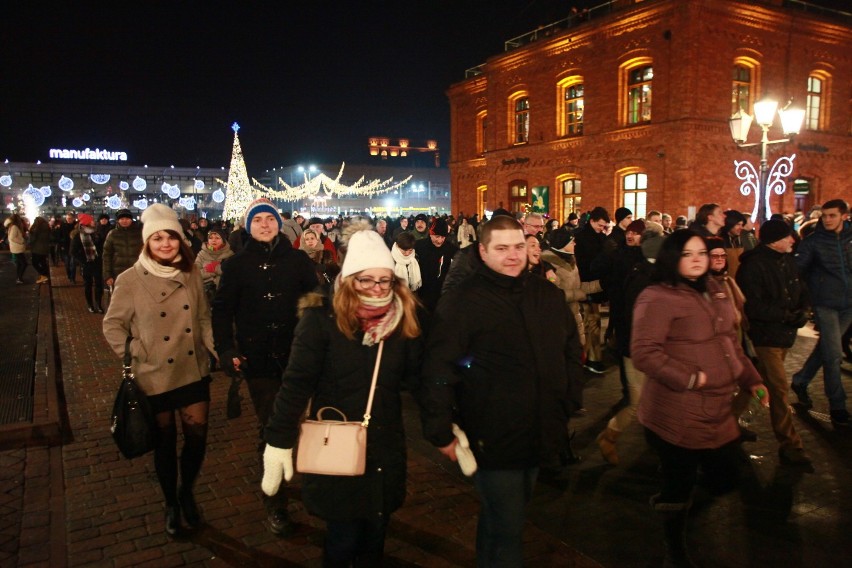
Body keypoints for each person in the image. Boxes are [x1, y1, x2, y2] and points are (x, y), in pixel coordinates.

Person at [419, 215, 581, 566]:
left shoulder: (546, 294)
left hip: (541, 426)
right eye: (502, 248)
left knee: (504, 515)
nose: (513, 255)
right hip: (492, 433)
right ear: (482, 250)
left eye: (519, 246)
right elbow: (438, 367)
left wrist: (568, 399)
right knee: (509, 527)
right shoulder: (463, 301)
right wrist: (439, 427)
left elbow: (570, 348)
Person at [261, 225, 424, 566]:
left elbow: (420, 380)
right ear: (350, 279)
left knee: (375, 532)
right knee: (343, 537)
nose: (377, 289)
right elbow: (296, 383)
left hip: (383, 443)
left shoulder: (403, 318)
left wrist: (447, 417)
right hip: (335, 442)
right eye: (366, 280)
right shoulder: (321, 318)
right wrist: (278, 441)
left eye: (384, 280)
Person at [631, 229, 766, 566]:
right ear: (671, 259)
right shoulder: (657, 296)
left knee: (727, 478)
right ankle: (674, 545)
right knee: (680, 482)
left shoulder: (716, 290)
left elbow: (729, 344)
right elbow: (644, 353)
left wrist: (751, 379)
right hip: (676, 412)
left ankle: (678, 510)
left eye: (702, 253)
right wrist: (689, 378)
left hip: (718, 409)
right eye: (688, 254)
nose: (697, 260)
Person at [102, 203, 216, 536]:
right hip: (154, 375)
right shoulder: (130, 279)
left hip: (192, 369)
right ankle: (171, 503)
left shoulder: (191, 272)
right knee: (164, 444)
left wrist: (213, 347)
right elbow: (113, 325)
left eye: (171, 237)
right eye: (157, 238)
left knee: (197, 439)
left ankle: (187, 491)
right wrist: (140, 352)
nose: (165, 244)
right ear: (147, 242)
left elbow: (203, 317)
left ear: (181, 239)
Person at [212, 198, 318, 534]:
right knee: (271, 427)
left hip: (297, 354)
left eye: (269, 219)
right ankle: (275, 498)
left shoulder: (298, 260)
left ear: (278, 223)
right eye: (257, 220)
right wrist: (227, 348)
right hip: (258, 358)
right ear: (248, 226)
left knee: (305, 422)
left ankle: (304, 478)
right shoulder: (236, 265)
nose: (264, 225)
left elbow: (316, 301)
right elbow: (222, 311)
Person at [736, 219, 812, 465]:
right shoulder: (753, 266)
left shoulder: (787, 260)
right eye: (788, 237)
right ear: (774, 240)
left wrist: (803, 310)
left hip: (784, 333)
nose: (792, 240)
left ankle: (724, 422)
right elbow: (754, 306)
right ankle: (790, 444)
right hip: (766, 335)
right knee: (779, 388)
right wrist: (786, 316)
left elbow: (799, 287)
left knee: (756, 380)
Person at [791, 199, 852, 428]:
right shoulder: (813, 242)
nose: (827, 219)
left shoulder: (849, 237)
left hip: (848, 304)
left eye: (832, 215)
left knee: (828, 347)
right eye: (824, 215)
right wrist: (810, 295)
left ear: (844, 216)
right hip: (825, 304)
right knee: (834, 354)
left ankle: (800, 380)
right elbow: (798, 271)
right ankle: (837, 405)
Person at [574, 206, 610, 374]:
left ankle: (592, 358)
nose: (602, 229)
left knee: (593, 323)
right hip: (587, 285)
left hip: (595, 285)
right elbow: (583, 264)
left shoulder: (600, 237)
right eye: (600, 225)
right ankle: (590, 359)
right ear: (593, 221)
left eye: (604, 226)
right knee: (592, 323)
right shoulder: (582, 238)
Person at [414, 218, 457, 314]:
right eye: (437, 236)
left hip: (442, 296)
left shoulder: (451, 249)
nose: (440, 240)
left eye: (443, 237)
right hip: (423, 294)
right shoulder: (419, 246)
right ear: (431, 233)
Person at [70, 213, 106, 313]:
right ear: (86, 223)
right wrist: (83, 261)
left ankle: (98, 304)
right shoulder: (78, 236)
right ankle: (90, 304)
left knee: (99, 284)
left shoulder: (96, 234)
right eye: (91, 221)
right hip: (86, 264)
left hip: (97, 263)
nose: (93, 222)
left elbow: (102, 247)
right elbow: (73, 252)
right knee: (88, 284)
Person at [103, 209, 144, 290]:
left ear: (131, 220)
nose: (124, 221)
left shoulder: (139, 233)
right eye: (122, 219)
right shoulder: (112, 234)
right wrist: (107, 275)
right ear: (118, 220)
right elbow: (107, 255)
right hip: (118, 272)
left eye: (127, 219)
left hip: (136, 271)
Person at [194, 227, 233, 303]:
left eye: (217, 238)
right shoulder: (202, 254)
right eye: (211, 238)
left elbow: (232, 274)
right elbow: (195, 273)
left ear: (223, 240)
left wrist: (216, 268)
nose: (213, 240)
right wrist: (211, 270)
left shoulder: (230, 255)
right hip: (205, 294)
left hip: (225, 295)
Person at [4, 214, 29, 284]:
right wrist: (21, 241)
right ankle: (19, 278)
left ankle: (19, 278)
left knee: (20, 264)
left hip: (15, 247)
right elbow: (12, 237)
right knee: (24, 263)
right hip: (17, 248)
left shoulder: (11, 226)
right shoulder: (14, 227)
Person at [28, 216, 51, 284]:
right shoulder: (47, 228)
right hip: (44, 248)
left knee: (35, 263)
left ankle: (44, 275)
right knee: (43, 262)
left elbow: (33, 239)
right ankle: (45, 276)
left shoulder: (37, 228)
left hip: (37, 248)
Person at [59, 212, 78, 283]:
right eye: (68, 218)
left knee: (73, 264)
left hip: (73, 247)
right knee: (67, 263)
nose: (69, 220)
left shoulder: (75, 226)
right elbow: (60, 236)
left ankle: (72, 278)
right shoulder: (63, 226)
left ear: (73, 219)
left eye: (70, 218)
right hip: (66, 247)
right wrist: (61, 245)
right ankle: (69, 275)